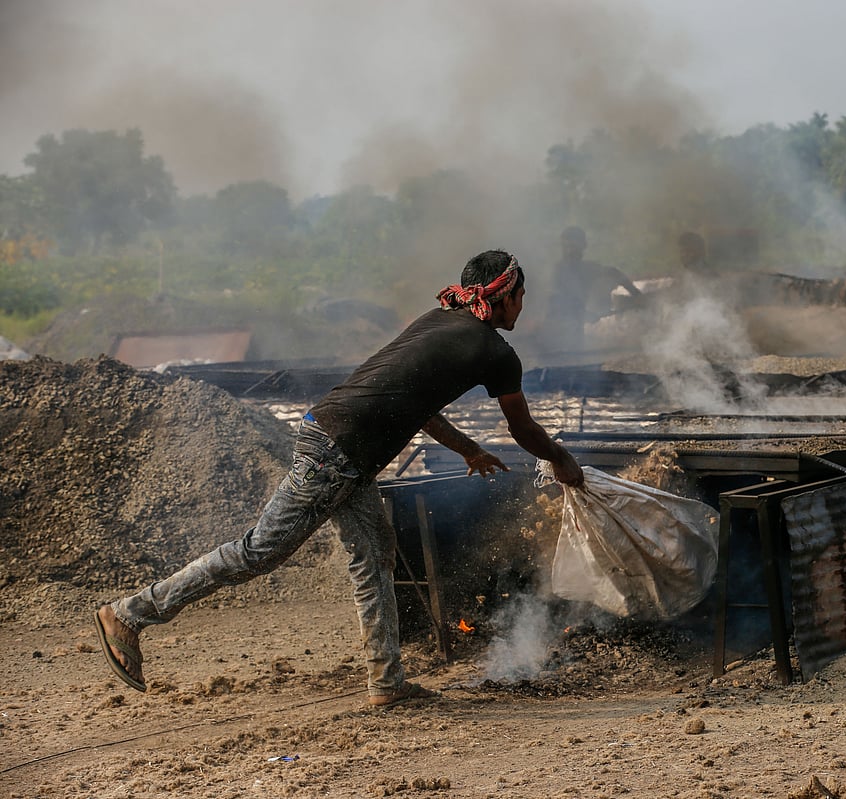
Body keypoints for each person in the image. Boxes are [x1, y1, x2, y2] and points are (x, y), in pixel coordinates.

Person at [93, 250, 585, 708]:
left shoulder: (436, 322)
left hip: (342, 448)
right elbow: (522, 429)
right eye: (521, 295)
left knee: (374, 553)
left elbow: (416, 407)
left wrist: (468, 449)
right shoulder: (495, 353)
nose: (524, 305)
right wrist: (563, 461)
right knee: (260, 550)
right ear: (502, 296)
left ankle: (387, 682)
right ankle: (130, 613)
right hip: (337, 453)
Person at [544, 226, 642, 352]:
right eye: (566, 247)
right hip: (555, 333)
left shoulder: (588, 269)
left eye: (573, 246)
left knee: (576, 363)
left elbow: (614, 273)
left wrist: (636, 294)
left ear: (583, 246)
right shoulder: (558, 271)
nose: (569, 251)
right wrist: (583, 313)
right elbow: (556, 301)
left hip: (575, 334)